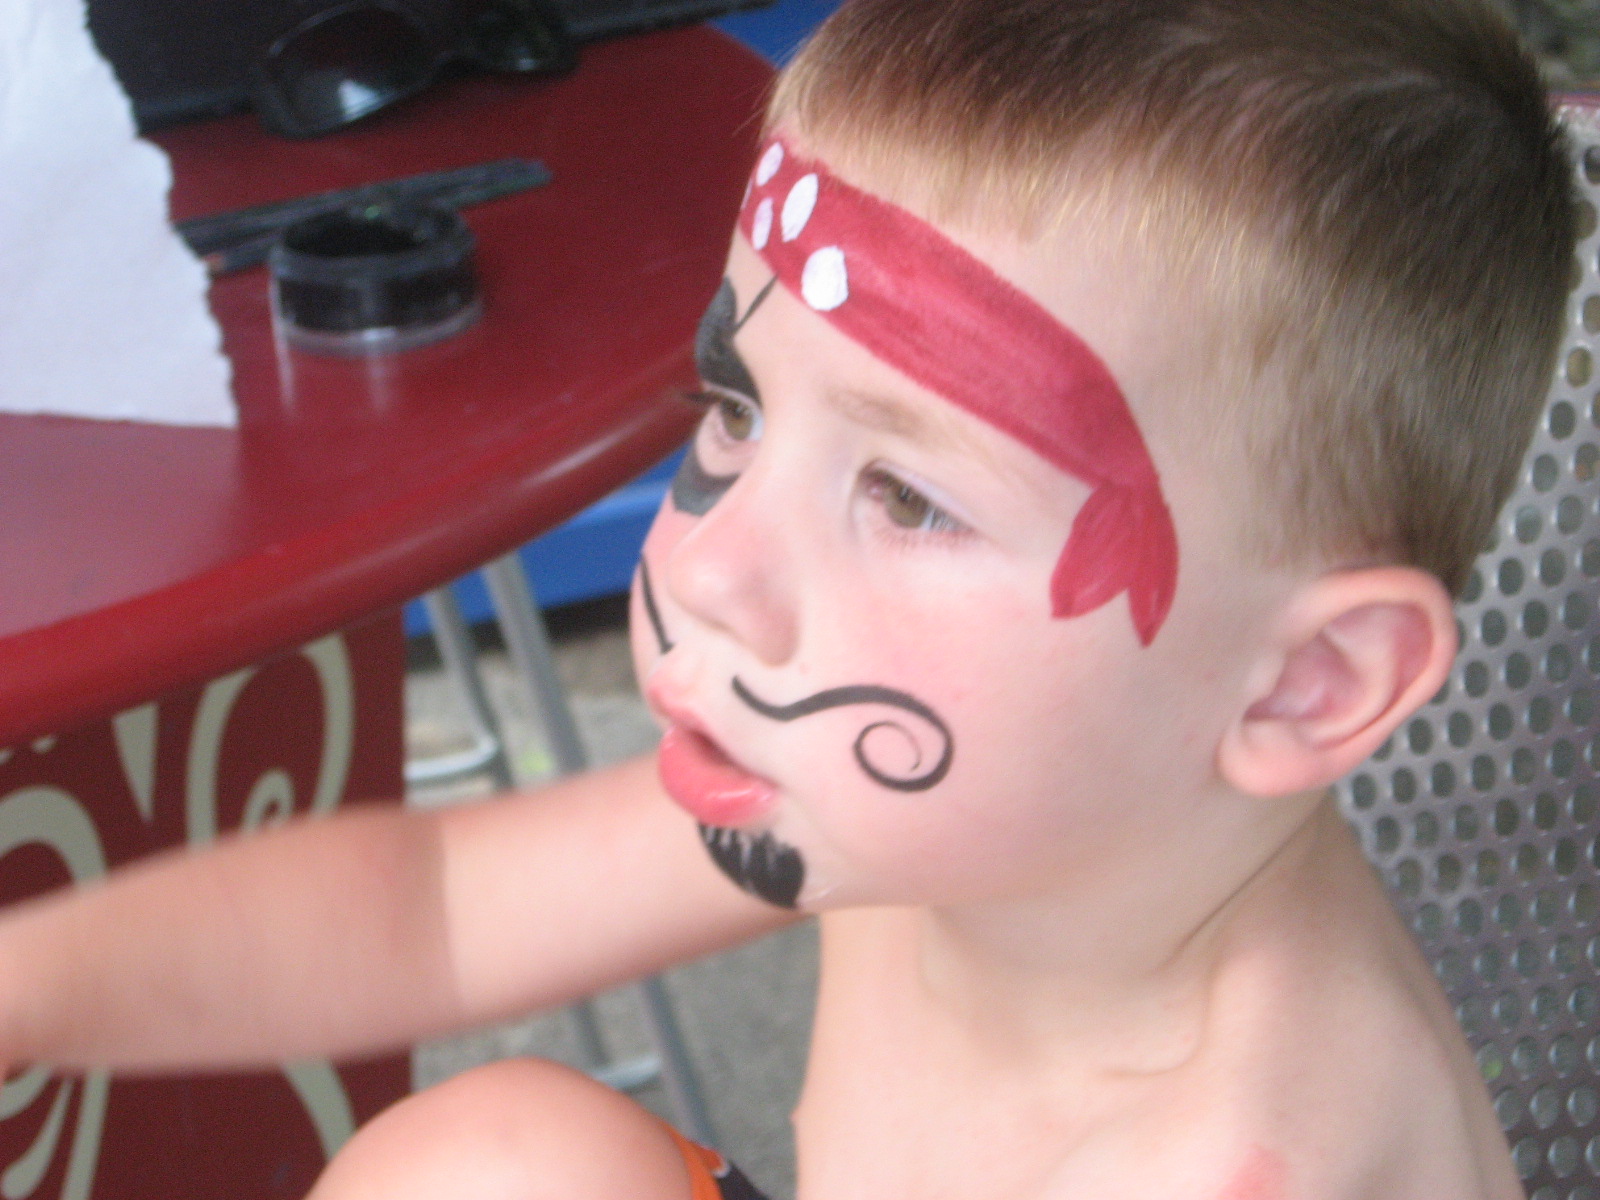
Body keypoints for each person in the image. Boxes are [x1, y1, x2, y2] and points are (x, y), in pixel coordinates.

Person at [0, 0, 1580, 1196]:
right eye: (739, 408)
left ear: (1307, 684)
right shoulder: (928, 804)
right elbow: (437, 911)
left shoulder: (1246, 1161)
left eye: (907, 497)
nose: (703, 564)